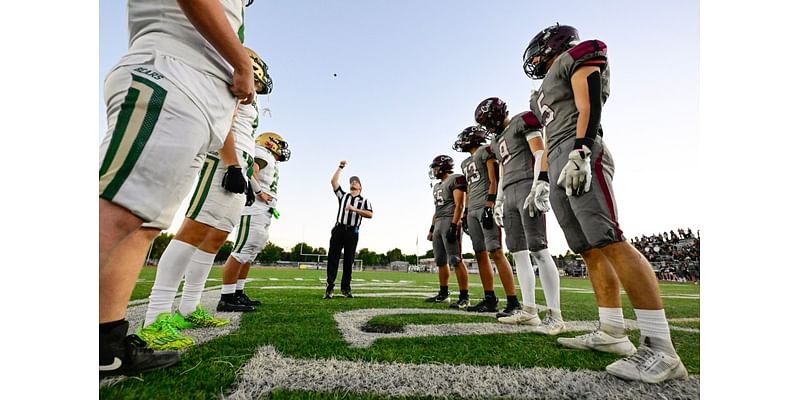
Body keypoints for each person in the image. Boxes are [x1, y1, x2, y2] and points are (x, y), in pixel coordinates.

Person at [522, 23, 687, 382]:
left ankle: (661, 347)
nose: (534, 57)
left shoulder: (574, 57)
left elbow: (589, 102)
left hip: (580, 149)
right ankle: (612, 332)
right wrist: (542, 181)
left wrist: (582, 149)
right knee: (589, 248)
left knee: (610, 239)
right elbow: (548, 140)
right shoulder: (539, 94)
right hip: (560, 156)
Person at [99, 0, 254, 377]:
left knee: (144, 224)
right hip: (171, 72)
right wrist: (242, 62)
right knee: (115, 213)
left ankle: (106, 342)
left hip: (195, 93)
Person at [138, 47, 272, 350]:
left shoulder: (249, 96)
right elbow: (223, 123)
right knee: (194, 232)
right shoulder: (231, 81)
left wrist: (247, 176)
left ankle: (189, 307)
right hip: (224, 162)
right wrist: (234, 165)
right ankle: (156, 317)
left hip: (237, 162)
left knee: (213, 240)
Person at [474, 97, 564, 334]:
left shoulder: (522, 120)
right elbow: (502, 168)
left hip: (526, 185)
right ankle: (529, 310)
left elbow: (539, 152)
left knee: (539, 250)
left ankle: (555, 315)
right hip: (510, 191)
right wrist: (500, 199)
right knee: (519, 254)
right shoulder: (496, 140)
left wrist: (541, 180)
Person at [452, 126, 522, 314]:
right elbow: (468, 188)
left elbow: (494, 179)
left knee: (496, 251)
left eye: (466, 138)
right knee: (479, 253)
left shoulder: (486, 151)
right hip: (473, 208)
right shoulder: (465, 162)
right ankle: (490, 298)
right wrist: (466, 212)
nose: (463, 141)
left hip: (485, 205)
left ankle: (513, 301)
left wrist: (490, 204)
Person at [218, 131, 290, 310]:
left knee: (250, 252)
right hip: (254, 208)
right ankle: (226, 297)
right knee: (242, 250)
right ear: (270, 142)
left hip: (264, 209)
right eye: (280, 144)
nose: (282, 149)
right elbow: (250, 172)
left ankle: (238, 293)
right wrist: (259, 192)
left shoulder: (269, 158)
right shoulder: (262, 153)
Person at [425, 155, 471, 309]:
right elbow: (436, 210)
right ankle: (443, 293)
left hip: (451, 220)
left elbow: (459, 205)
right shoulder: (437, 186)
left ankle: (465, 297)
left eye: (436, 167)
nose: (434, 170)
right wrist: (432, 229)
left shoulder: (455, 179)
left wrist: (454, 225)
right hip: (438, 222)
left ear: (444, 166)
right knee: (440, 261)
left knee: (456, 259)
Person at [324, 161, 373, 299]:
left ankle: (346, 288)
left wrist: (354, 209)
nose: (353, 182)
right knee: (333, 257)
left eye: (356, 182)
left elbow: (370, 214)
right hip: (339, 229)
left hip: (352, 232)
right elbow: (333, 181)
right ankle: (329, 287)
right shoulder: (343, 196)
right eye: (351, 181)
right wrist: (340, 167)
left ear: (360, 187)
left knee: (348, 260)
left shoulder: (364, 201)